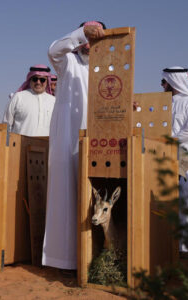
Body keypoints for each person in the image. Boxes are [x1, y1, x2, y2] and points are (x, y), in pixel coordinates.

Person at [42, 21, 106, 270]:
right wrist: (80, 34)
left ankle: (94, 257)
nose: (89, 44)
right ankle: (65, 259)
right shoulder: (68, 62)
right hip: (68, 137)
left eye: (95, 37)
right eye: (87, 38)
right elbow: (53, 50)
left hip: (99, 141)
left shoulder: (108, 70)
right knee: (66, 192)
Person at [161, 67, 188, 257]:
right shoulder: (163, 102)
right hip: (163, 154)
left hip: (184, 155)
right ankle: (165, 241)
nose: (164, 85)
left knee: (185, 197)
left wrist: (171, 140)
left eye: (167, 81)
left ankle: (184, 246)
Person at [3, 64, 55, 136]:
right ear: (30, 80)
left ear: (47, 81)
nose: (38, 82)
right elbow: (6, 125)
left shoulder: (54, 101)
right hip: (20, 146)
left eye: (42, 80)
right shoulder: (18, 97)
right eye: (35, 79)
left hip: (47, 146)